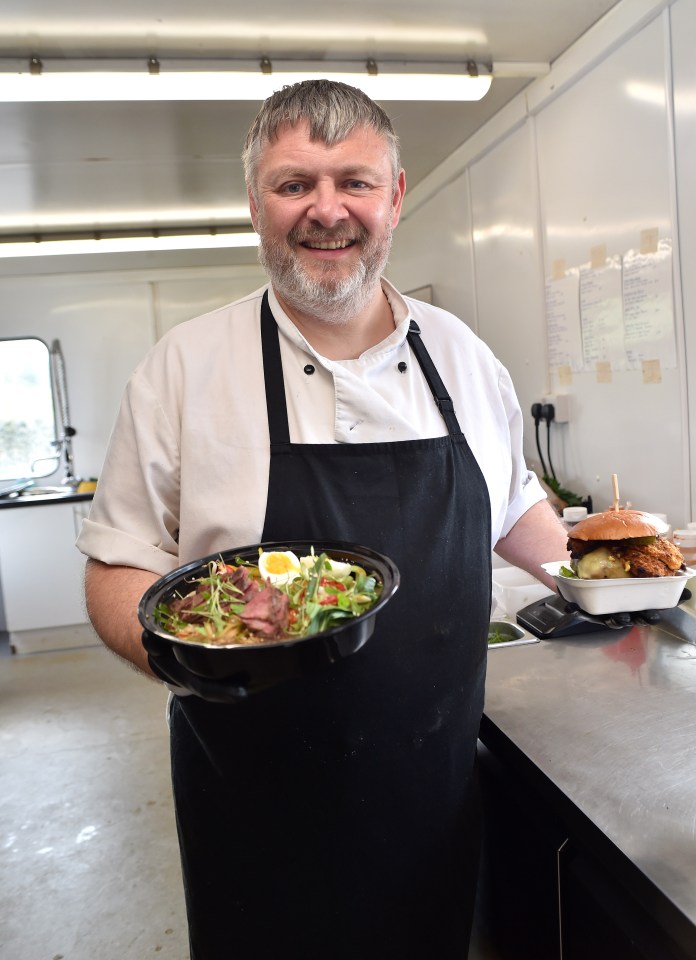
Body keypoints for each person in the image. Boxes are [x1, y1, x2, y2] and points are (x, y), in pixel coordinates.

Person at [78, 79, 569, 960]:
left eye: (354, 181)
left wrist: (617, 567)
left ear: (395, 196)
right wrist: (176, 653)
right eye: (294, 183)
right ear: (255, 204)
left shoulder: (463, 355)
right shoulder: (185, 369)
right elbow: (118, 565)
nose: (327, 211)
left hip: (432, 796)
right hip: (251, 813)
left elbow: (513, 507)